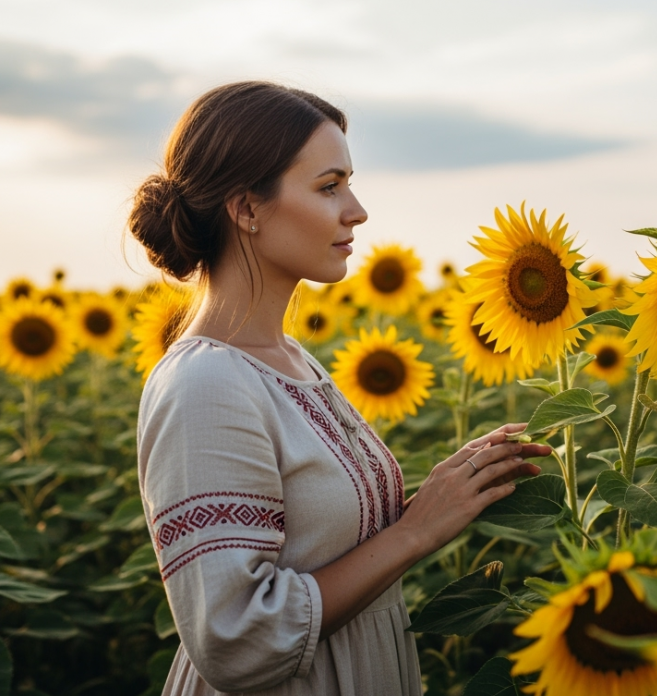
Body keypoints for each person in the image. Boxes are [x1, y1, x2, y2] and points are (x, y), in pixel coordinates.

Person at [128, 81, 549, 695]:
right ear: (246, 209)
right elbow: (235, 638)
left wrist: (439, 497)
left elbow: (318, 548)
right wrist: (416, 532)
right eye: (329, 187)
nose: (356, 210)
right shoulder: (207, 383)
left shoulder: (289, 360)